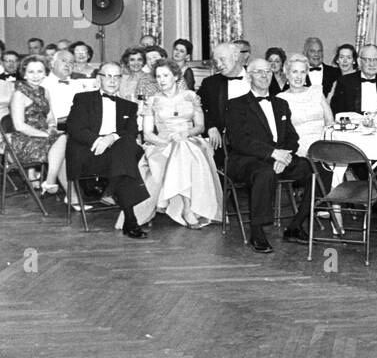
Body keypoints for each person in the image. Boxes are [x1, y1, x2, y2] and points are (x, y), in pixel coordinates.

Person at [225, 58, 315, 252]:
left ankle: (296, 225)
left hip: (279, 157)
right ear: (249, 77)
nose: (264, 75)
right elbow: (240, 141)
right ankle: (257, 232)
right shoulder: (236, 105)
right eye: (259, 72)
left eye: (267, 71)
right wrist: (273, 154)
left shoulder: (281, 104)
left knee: (312, 169)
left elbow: (292, 137)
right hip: (246, 159)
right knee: (264, 173)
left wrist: (286, 156)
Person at [65, 63, 151, 240]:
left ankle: (129, 216)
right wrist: (98, 140)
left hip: (116, 155)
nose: (112, 81)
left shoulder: (129, 106)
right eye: (108, 76)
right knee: (126, 152)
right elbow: (75, 128)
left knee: (124, 145)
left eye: (117, 77)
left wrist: (111, 137)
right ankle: (124, 209)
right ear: (99, 78)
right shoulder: (83, 98)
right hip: (90, 153)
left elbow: (131, 132)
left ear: (121, 80)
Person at [136, 60, 222, 228]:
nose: (161, 80)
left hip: (190, 139)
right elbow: (147, 134)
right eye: (158, 76)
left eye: (166, 75)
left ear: (175, 76)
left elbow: (200, 126)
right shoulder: (152, 101)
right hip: (161, 144)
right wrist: (167, 142)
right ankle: (187, 209)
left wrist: (186, 133)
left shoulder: (190, 96)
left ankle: (187, 208)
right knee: (180, 149)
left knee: (184, 147)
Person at [9, 56, 68, 194]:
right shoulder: (19, 94)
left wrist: (52, 126)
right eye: (31, 72)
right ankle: (53, 183)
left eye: (39, 71)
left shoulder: (44, 91)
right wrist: (46, 134)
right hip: (25, 140)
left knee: (63, 148)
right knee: (63, 142)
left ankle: (69, 195)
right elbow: (19, 126)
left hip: (45, 136)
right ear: (24, 74)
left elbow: (50, 116)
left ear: (45, 73)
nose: (36, 76)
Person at [196, 41, 250, 154]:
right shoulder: (210, 83)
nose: (219, 65)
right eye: (216, 61)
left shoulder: (256, 78)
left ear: (236, 56)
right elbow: (196, 107)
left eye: (222, 59)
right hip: (224, 147)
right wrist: (210, 127)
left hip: (255, 144)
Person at [279, 53, 334, 159]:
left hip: (323, 143)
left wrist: (326, 143)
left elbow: (330, 121)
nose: (299, 76)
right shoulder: (281, 99)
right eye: (294, 72)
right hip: (299, 149)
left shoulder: (316, 91)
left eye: (302, 72)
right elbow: (282, 133)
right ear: (287, 74)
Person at [330, 44, 377, 116]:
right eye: (368, 60)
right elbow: (336, 111)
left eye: (376, 60)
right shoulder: (345, 81)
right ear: (359, 61)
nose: (372, 64)